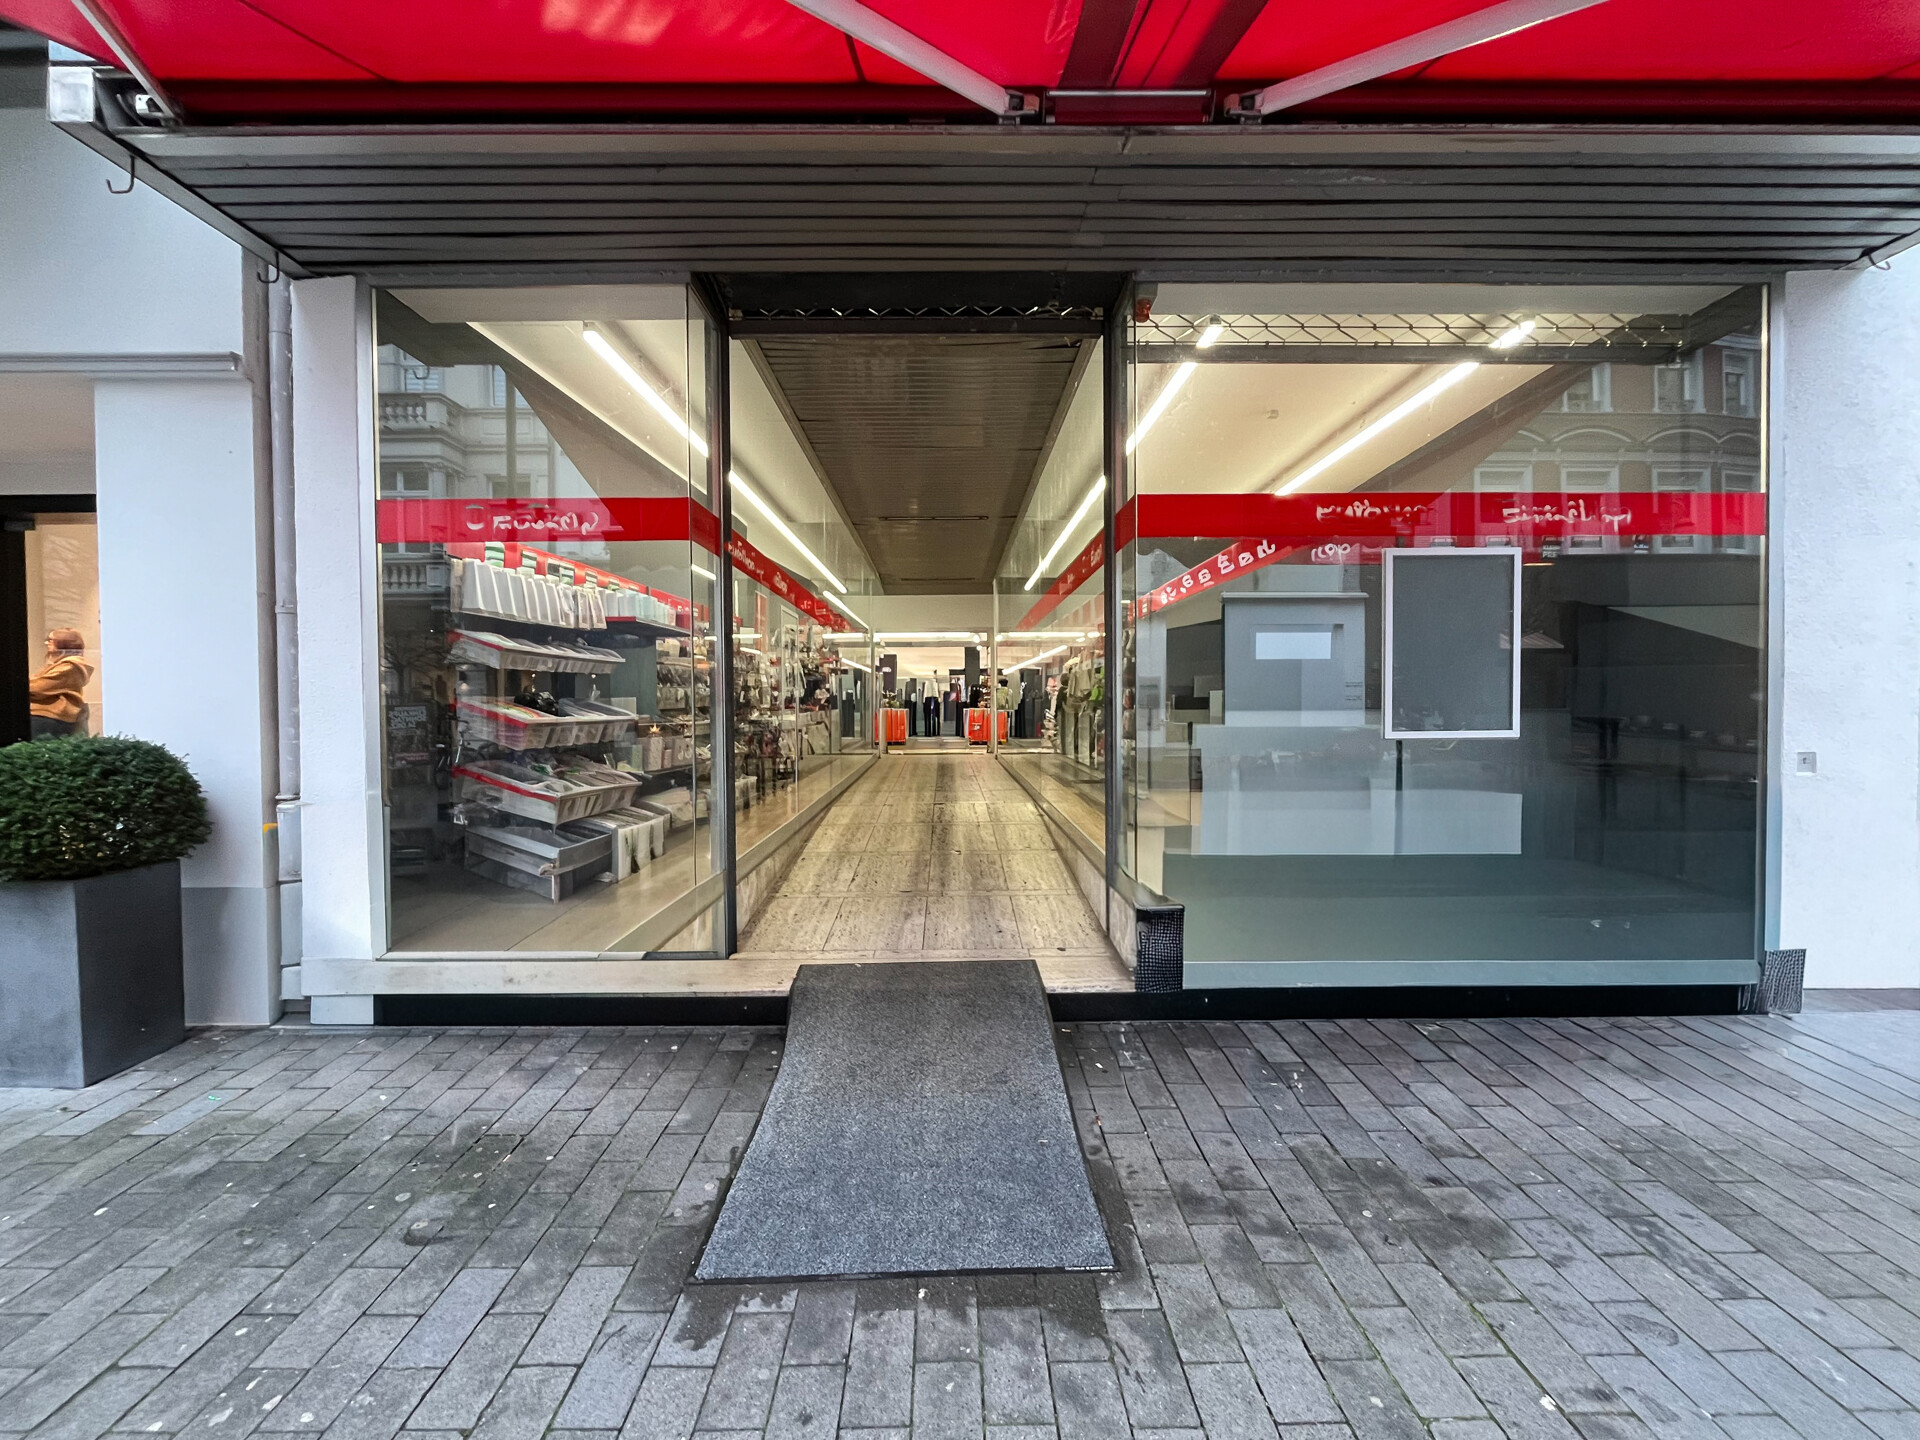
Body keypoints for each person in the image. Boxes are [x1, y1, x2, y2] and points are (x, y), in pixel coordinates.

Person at [29, 628, 92, 739]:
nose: (47, 643)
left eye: (51, 640)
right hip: (45, 715)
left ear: (63, 643)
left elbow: (39, 687)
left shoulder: (71, 666)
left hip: (49, 716)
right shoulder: (62, 664)